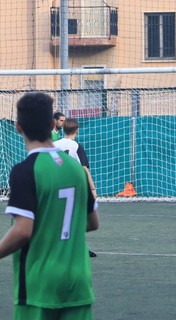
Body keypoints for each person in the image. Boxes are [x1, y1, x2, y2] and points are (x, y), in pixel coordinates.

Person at [0, 92, 99, 319]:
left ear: (18, 127)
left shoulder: (25, 171)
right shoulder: (76, 169)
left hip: (39, 286)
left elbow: (22, 231)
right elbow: (93, 223)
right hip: (78, 284)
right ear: (53, 124)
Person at [54, 117, 98, 257]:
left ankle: (77, 246)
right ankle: (77, 246)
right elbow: (84, 168)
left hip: (55, 184)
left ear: (64, 129)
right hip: (72, 186)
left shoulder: (54, 144)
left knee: (60, 217)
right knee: (77, 218)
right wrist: (92, 189)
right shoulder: (76, 146)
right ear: (77, 130)